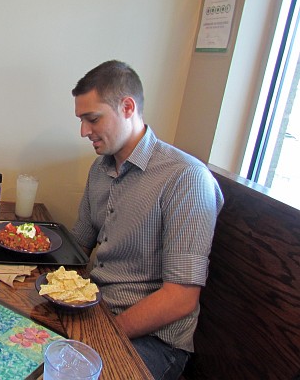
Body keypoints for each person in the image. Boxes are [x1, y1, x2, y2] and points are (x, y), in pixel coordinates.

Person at [70, 60, 224, 380]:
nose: (84, 131)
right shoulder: (99, 169)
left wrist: (101, 337)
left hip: (155, 342)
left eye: (92, 118)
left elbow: (180, 299)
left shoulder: (185, 178)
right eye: (82, 120)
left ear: (127, 107)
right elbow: (75, 249)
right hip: (97, 312)